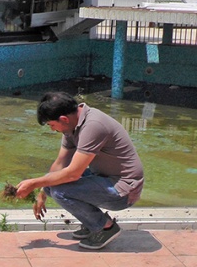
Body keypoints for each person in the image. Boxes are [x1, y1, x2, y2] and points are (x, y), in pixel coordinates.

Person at [15, 92, 144, 250]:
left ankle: (106, 227)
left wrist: (33, 183)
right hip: (104, 178)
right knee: (50, 185)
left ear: (63, 119)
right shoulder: (72, 126)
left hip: (124, 190)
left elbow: (73, 173)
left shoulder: (93, 126)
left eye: (51, 125)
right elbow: (61, 163)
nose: (52, 129)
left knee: (60, 191)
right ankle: (92, 223)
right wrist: (42, 192)